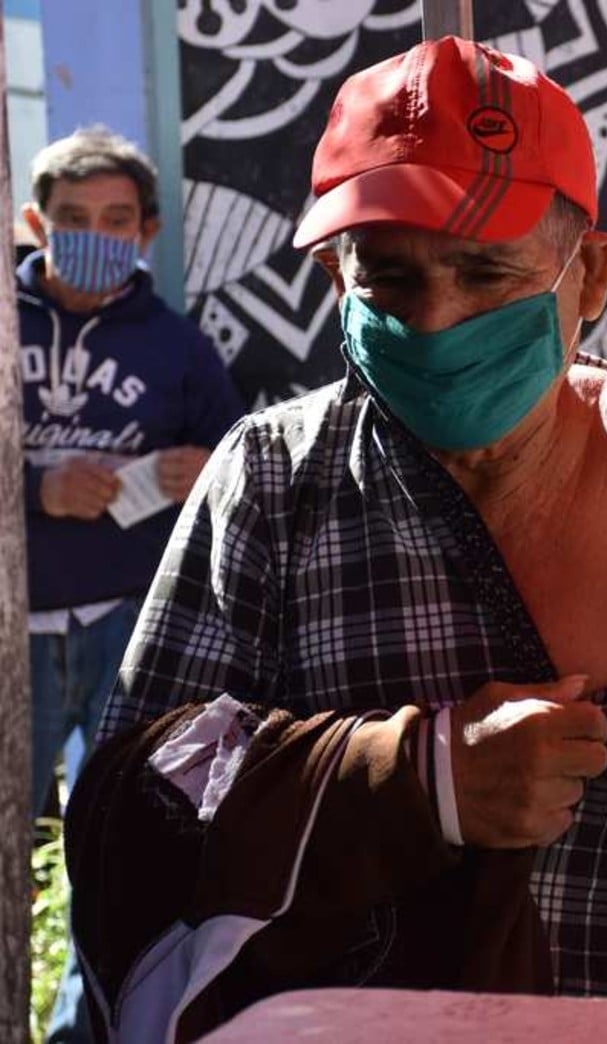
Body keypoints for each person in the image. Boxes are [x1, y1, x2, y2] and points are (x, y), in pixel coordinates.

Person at [65, 38, 607, 1044]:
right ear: (331, 279)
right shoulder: (273, 476)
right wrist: (408, 777)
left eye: (485, 271)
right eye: (387, 278)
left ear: (591, 272)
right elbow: (129, 810)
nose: (435, 321)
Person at [19, 126, 244, 1044]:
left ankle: (82, 1033)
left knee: (110, 854)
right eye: (72, 219)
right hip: (11, 638)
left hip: (125, 627)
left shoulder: (179, 349)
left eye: (115, 220)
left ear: (146, 231)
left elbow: (241, 466)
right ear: (35, 223)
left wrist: (203, 471)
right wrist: (35, 490)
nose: (94, 235)